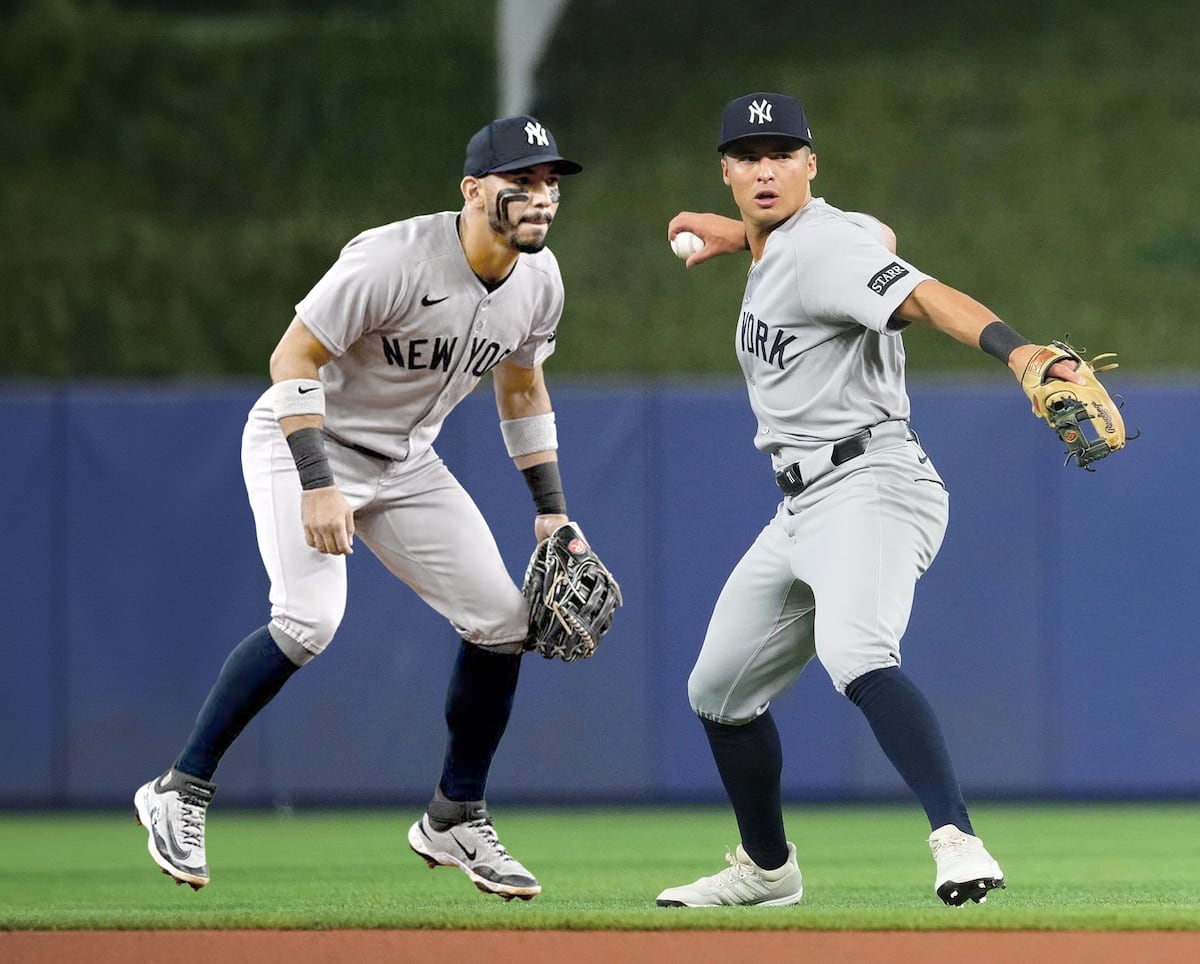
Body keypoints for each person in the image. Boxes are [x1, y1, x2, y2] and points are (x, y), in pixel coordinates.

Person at [134, 114, 587, 902]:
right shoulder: (395, 257)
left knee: (504, 621)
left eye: (551, 181)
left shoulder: (540, 283)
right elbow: (292, 356)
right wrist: (316, 482)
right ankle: (180, 787)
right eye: (523, 181)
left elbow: (522, 385)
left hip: (408, 460)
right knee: (310, 619)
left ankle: (455, 814)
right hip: (304, 441)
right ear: (474, 190)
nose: (542, 196)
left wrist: (550, 509)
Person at [655, 92, 1083, 908]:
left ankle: (958, 842)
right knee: (719, 691)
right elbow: (878, 233)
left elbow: (919, 293)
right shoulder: (798, 240)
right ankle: (767, 871)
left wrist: (1016, 348)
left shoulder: (822, 249)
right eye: (748, 156)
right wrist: (740, 232)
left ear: (811, 163)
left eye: (782, 152)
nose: (765, 167)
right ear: (726, 171)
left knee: (856, 654)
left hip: (871, 481)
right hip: (799, 507)